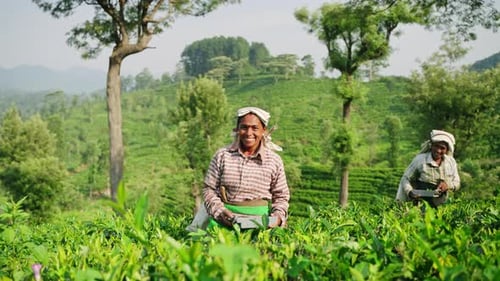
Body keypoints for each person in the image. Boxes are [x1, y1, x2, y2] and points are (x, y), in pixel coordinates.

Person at [200, 106, 290, 229]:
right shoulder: (222, 156)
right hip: (224, 220)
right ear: (237, 129)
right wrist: (220, 211)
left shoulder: (274, 161)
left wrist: (277, 218)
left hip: (260, 223)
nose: (249, 133)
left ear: (263, 130)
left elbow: (281, 196)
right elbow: (208, 189)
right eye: (244, 127)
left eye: (255, 128)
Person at [396, 129, 460, 208]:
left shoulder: (450, 162)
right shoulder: (420, 160)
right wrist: (409, 191)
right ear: (431, 145)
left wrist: (447, 185)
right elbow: (405, 178)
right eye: (436, 146)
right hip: (421, 201)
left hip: (442, 202)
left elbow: (456, 182)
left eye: (442, 148)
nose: (438, 150)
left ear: (446, 150)